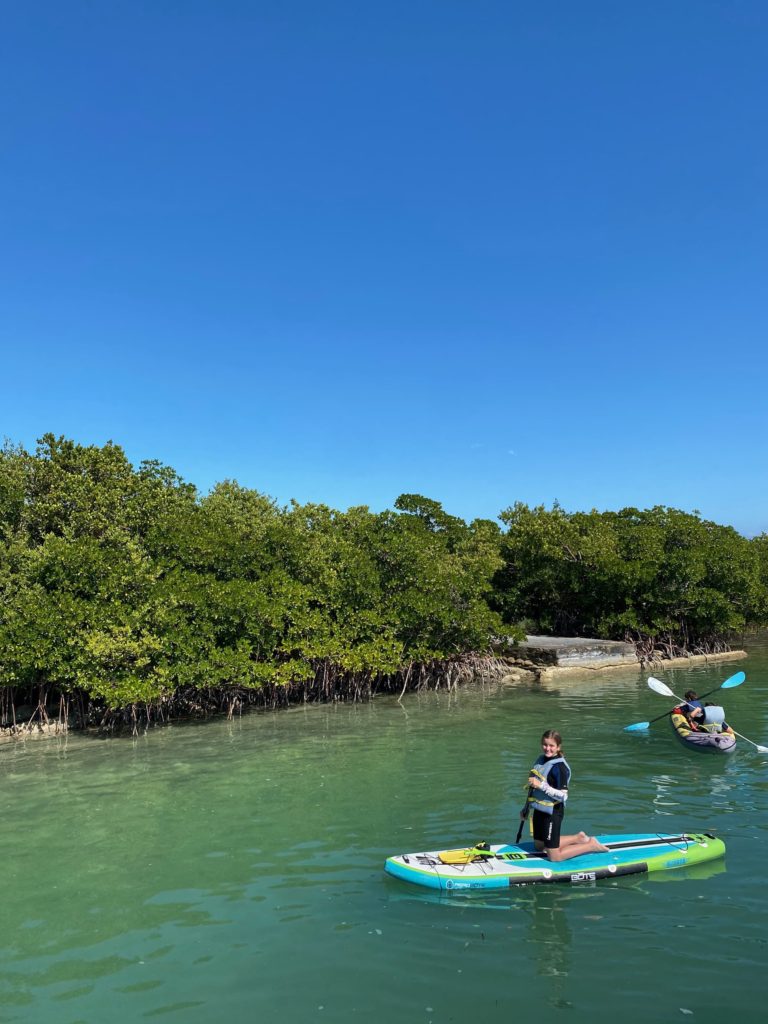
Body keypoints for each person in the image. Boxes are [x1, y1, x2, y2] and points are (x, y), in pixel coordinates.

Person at [520, 729, 608, 862]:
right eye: (545, 744)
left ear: (558, 747)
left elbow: (563, 796)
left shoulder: (560, 767)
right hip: (539, 809)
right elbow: (533, 788)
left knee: (554, 857)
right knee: (539, 846)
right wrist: (526, 808)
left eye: (551, 745)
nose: (547, 748)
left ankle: (591, 845)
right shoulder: (540, 761)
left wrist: (542, 786)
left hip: (552, 812)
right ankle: (578, 838)